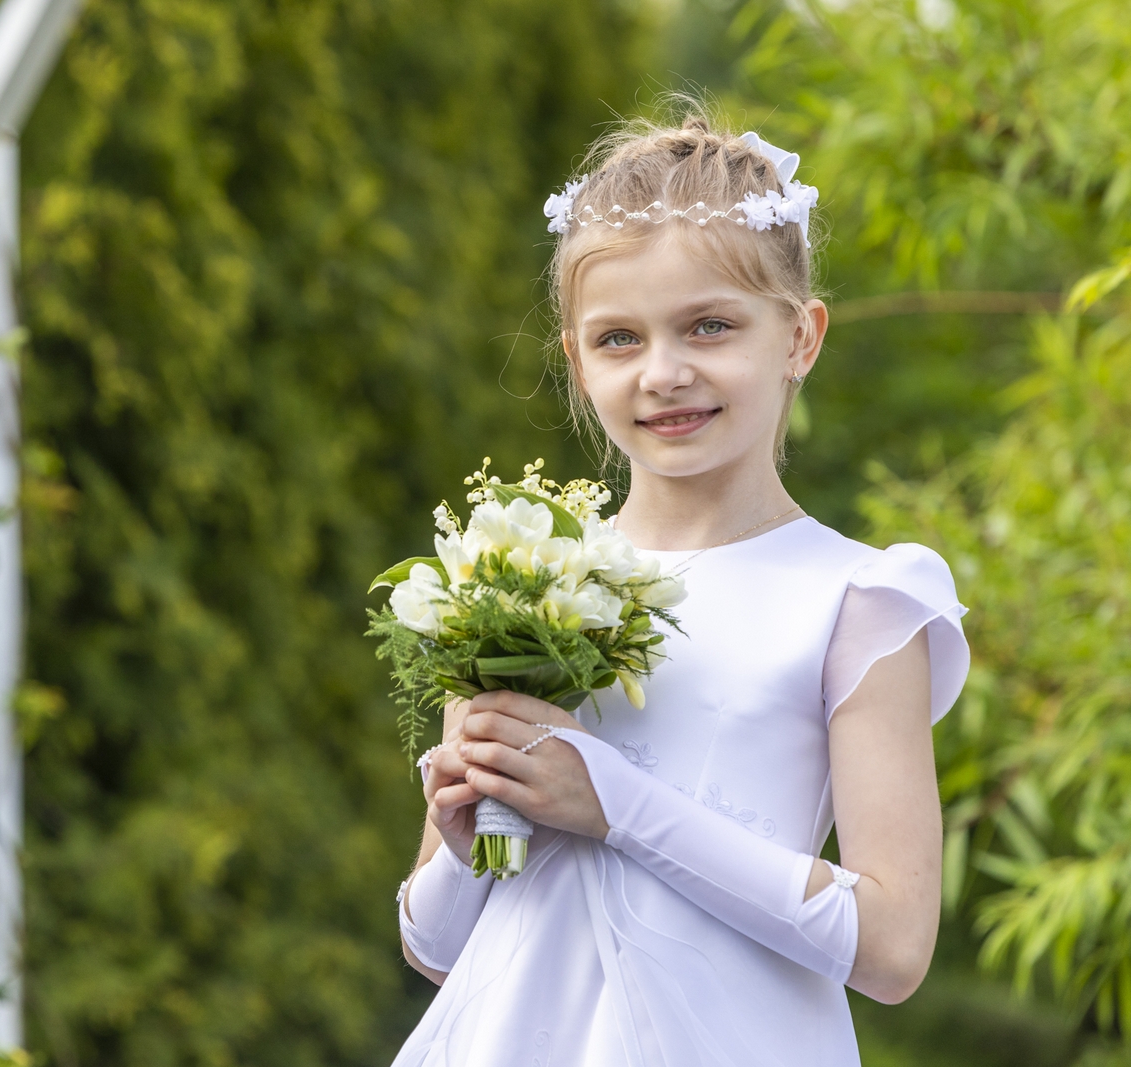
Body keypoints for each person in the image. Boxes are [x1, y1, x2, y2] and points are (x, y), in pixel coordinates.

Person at [390, 116, 970, 1066]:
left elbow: (895, 945)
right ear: (578, 361)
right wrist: (464, 839)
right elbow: (440, 947)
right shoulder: (518, 586)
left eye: (711, 324)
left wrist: (613, 799)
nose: (665, 373)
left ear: (800, 336)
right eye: (620, 338)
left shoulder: (859, 597)